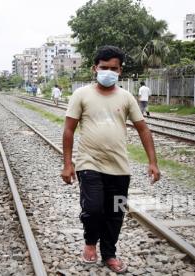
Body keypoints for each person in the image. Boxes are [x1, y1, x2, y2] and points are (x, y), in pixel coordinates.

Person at [61, 45, 160, 273]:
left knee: (115, 214)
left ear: (120, 71)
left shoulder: (126, 98)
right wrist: (68, 163)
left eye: (113, 68)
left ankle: (109, 254)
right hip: (89, 163)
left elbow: (143, 130)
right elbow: (68, 130)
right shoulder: (81, 95)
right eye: (104, 67)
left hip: (119, 167)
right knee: (94, 209)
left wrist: (152, 162)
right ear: (94, 68)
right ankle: (89, 242)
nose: (108, 71)